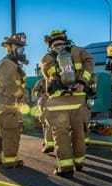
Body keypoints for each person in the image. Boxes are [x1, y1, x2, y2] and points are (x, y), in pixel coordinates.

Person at [40, 29, 95, 177]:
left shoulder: (46, 57)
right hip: (78, 100)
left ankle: (65, 168)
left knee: (61, 136)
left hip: (58, 103)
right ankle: (79, 163)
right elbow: (90, 62)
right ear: (65, 39)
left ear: (50, 42)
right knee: (79, 133)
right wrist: (82, 81)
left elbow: (49, 76)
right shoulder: (79, 50)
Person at [0, 32, 28, 168]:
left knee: (2, 130)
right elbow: (8, 83)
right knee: (11, 133)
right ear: (10, 48)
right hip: (6, 106)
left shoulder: (10, 64)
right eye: (19, 48)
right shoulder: (7, 63)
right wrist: (20, 95)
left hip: (4, 106)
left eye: (23, 49)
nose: (22, 51)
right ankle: (11, 161)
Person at [32, 77, 54, 153]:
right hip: (44, 105)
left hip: (55, 105)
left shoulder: (57, 78)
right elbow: (34, 92)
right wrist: (42, 94)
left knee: (50, 124)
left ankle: (50, 144)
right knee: (44, 123)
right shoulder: (41, 81)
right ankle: (47, 140)